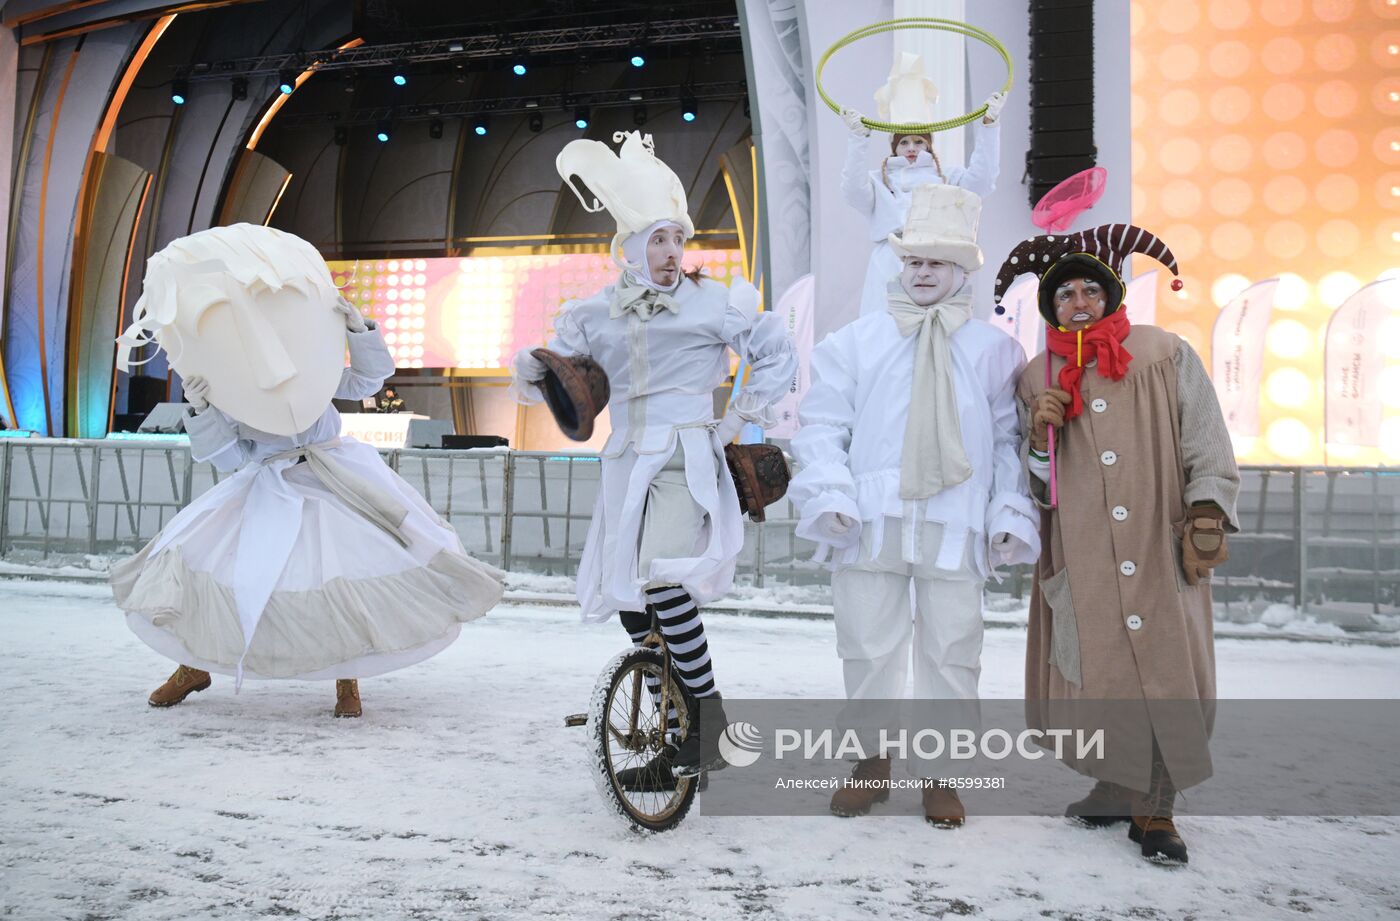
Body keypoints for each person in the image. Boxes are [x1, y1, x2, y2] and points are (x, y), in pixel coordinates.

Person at [110, 224, 505, 717]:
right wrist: (202, 407)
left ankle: (347, 677)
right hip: (268, 482)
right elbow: (226, 458)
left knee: (344, 571)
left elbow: (368, 378)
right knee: (220, 569)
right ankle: (196, 663)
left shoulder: (306, 368)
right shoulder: (231, 383)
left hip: (335, 476)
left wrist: (359, 331)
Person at [512, 131, 797, 785]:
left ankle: (710, 719)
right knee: (634, 607)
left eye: (677, 237)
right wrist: (536, 375)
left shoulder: (712, 299)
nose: (671, 252)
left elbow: (776, 349)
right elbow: (546, 370)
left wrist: (737, 418)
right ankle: (678, 736)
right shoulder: (593, 312)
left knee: (665, 581)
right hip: (623, 463)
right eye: (658, 239)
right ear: (630, 246)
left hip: (684, 461)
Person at [788, 184, 1039, 826]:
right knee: (866, 644)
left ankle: (940, 774)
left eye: (936, 262)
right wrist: (830, 493)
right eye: (913, 261)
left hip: (956, 524)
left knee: (954, 650)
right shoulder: (856, 342)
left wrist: (1008, 511)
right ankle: (869, 763)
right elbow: (821, 425)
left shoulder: (995, 352)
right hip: (872, 522)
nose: (923, 273)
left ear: (962, 271)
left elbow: (1012, 440)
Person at [994, 223, 1240, 865]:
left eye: (1089, 290)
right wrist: (1039, 437)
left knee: (1163, 667)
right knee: (1096, 671)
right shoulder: (1034, 376)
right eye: (1064, 294)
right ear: (1050, 308)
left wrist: (1207, 510)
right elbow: (1035, 484)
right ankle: (1114, 782)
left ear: (1111, 295)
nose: (1078, 301)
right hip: (1083, 554)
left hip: (1159, 545)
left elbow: (1206, 439)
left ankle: (1156, 807)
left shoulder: (1163, 352)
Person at [840, 51, 1006, 318]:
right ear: (894, 146)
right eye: (904, 142)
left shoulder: (948, 177)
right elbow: (852, 191)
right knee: (884, 330)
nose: (911, 148)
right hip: (890, 263)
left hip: (939, 260)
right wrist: (858, 139)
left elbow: (983, 181)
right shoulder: (878, 180)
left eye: (918, 142)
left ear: (929, 144)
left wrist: (989, 126)